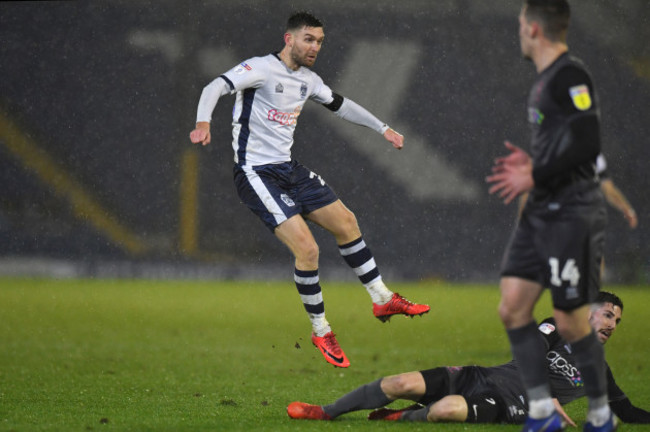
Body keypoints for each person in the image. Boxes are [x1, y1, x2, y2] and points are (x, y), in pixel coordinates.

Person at [189, 11, 429, 368]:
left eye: (319, 41)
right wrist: (203, 121)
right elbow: (214, 87)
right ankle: (321, 330)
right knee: (308, 250)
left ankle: (381, 297)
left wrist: (383, 129)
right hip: (256, 173)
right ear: (290, 39)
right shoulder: (259, 68)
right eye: (309, 39)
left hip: (289, 169)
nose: (315, 47)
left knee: (347, 222)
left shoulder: (310, 80)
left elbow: (342, 105)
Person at [485, 1, 614, 431]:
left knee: (570, 321)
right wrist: (535, 162)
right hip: (543, 208)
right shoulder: (543, 81)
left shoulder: (570, 76)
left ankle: (600, 414)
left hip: (572, 212)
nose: (518, 29)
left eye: (521, 22)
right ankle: (542, 412)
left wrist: (535, 171)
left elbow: (587, 142)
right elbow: (564, 145)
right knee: (513, 307)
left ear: (535, 28)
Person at [287, 291, 650, 425]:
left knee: (445, 410)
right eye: (607, 315)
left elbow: (627, 412)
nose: (612, 324)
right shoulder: (555, 326)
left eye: (617, 320)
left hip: (510, 403)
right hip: (482, 375)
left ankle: (404, 416)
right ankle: (326, 411)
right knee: (399, 383)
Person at [596, 154, 637, 229]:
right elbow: (609, 191)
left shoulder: (594, 157)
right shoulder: (594, 156)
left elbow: (609, 191)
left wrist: (626, 209)